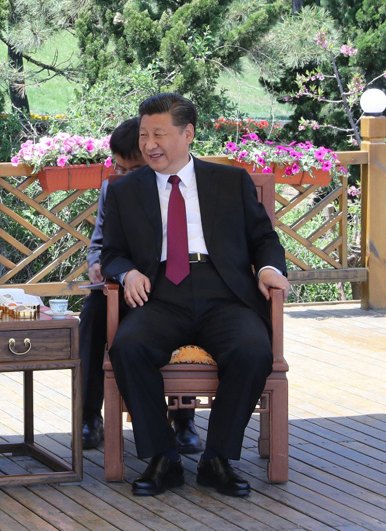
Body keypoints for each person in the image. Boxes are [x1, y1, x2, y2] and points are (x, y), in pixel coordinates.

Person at [101, 93, 289, 497]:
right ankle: (163, 457)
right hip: (159, 293)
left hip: (224, 291)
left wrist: (270, 270)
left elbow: (264, 240)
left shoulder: (230, 181)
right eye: (144, 134)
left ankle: (217, 458)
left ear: (187, 134)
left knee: (253, 350)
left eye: (159, 134)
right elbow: (110, 252)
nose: (149, 144)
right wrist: (127, 272)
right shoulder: (124, 190)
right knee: (128, 347)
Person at [79, 117, 203, 455]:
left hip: (169, 286)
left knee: (188, 305)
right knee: (92, 313)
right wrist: (96, 265)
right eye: (117, 168)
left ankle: (183, 418)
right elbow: (99, 243)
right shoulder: (114, 189)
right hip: (123, 286)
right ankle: (89, 414)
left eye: (132, 169)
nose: (123, 176)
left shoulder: (181, 186)